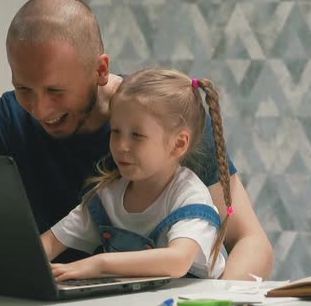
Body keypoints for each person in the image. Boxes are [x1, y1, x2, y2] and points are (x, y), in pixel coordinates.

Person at [0, 0, 273, 279]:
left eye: (55, 91)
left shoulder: (163, 121)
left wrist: (225, 300)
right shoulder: (7, 120)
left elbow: (250, 240)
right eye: (24, 89)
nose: (40, 110)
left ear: (100, 69)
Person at [42, 69, 229, 280]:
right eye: (115, 131)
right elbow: (48, 243)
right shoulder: (107, 196)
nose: (121, 146)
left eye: (137, 135)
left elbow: (177, 261)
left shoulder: (189, 197)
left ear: (178, 144)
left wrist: (99, 264)